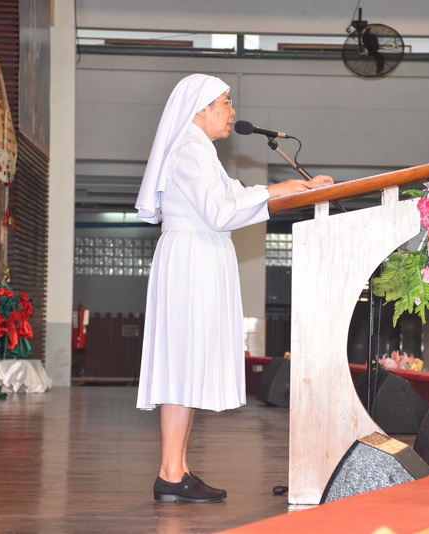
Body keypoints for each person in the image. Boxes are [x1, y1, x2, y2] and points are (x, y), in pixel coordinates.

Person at [135, 73, 333, 504]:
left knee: (186, 364)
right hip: (191, 260)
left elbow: (231, 201)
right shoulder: (190, 148)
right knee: (181, 364)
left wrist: (291, 190)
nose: (232, 111)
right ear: (201, 109)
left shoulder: (197, 148)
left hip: (197, 255)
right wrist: (276, 189)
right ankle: (170, 473)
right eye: (226, 102)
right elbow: (221, 211)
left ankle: (177, 470)